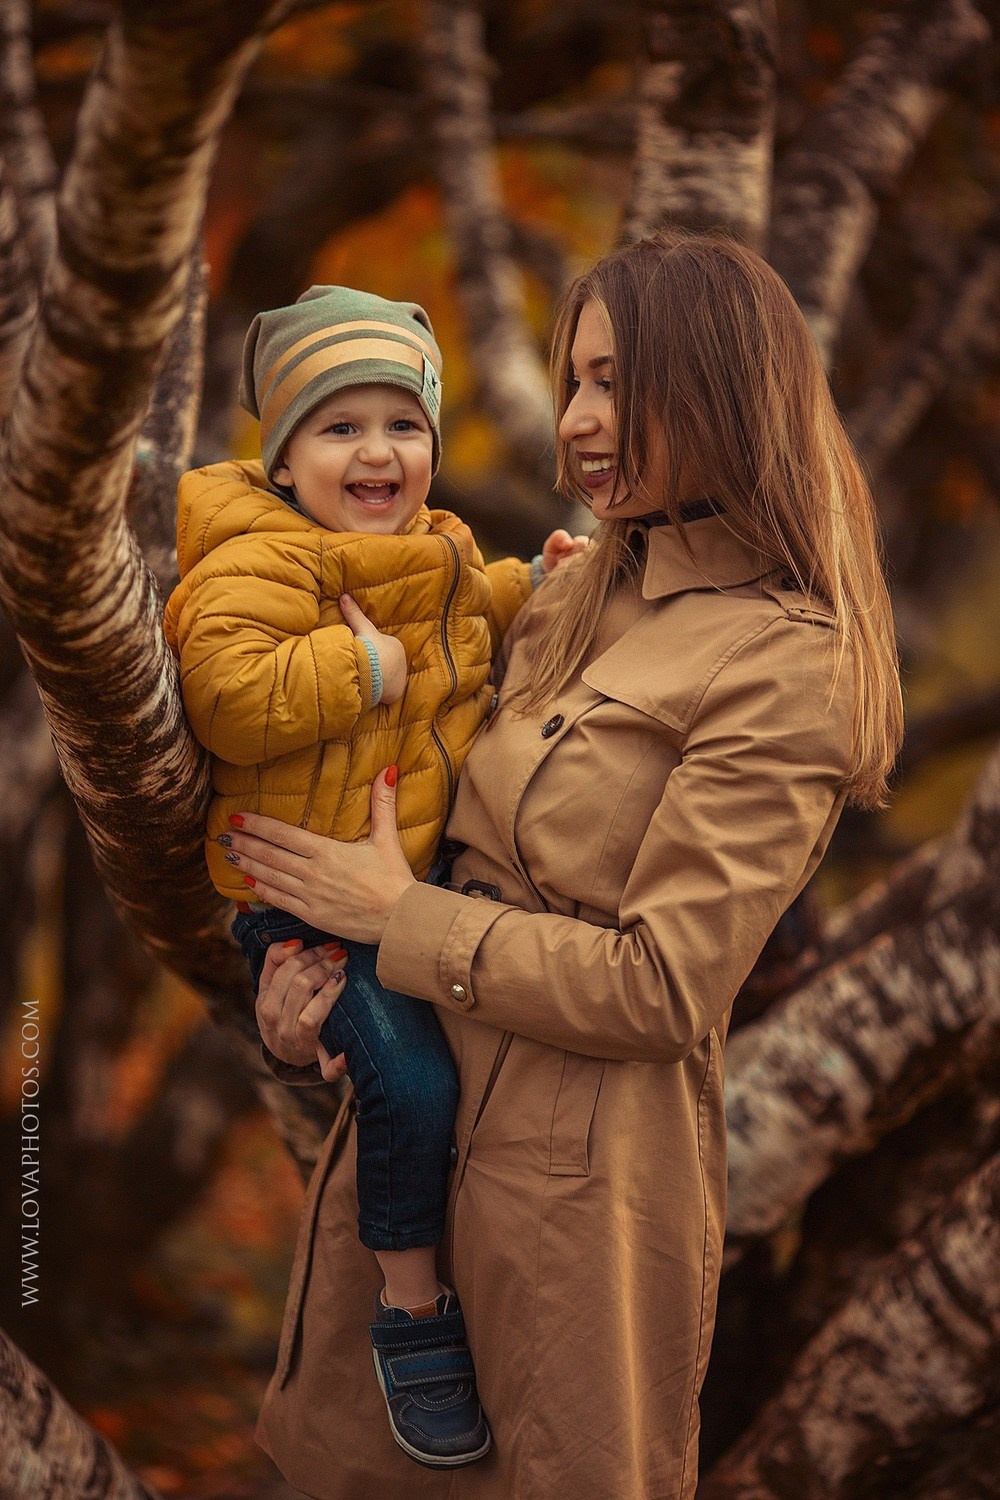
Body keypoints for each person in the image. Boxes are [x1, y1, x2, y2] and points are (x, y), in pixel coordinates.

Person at [219, 230, 903, 1500]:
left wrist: (402, 917)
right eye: (573, 382)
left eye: (611, 384)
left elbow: (660, 987)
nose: (579, 421)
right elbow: (425, 813)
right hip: (416, 1127)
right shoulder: (575, 590)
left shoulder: (787, 662)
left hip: (579, 1192)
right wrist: (310, 984)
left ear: (716, 390)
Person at [163, 285, 586, 1470]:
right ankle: (410, 1312)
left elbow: (466, 625)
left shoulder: (436, 548)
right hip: (306, 897)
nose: (377, 452)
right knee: (410, 1087)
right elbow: (229, 699)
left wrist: (526, 590)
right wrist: (367, 663)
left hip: (407, 879)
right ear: (284, 454)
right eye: (338, 427)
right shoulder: (258, 559)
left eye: (401, 425)